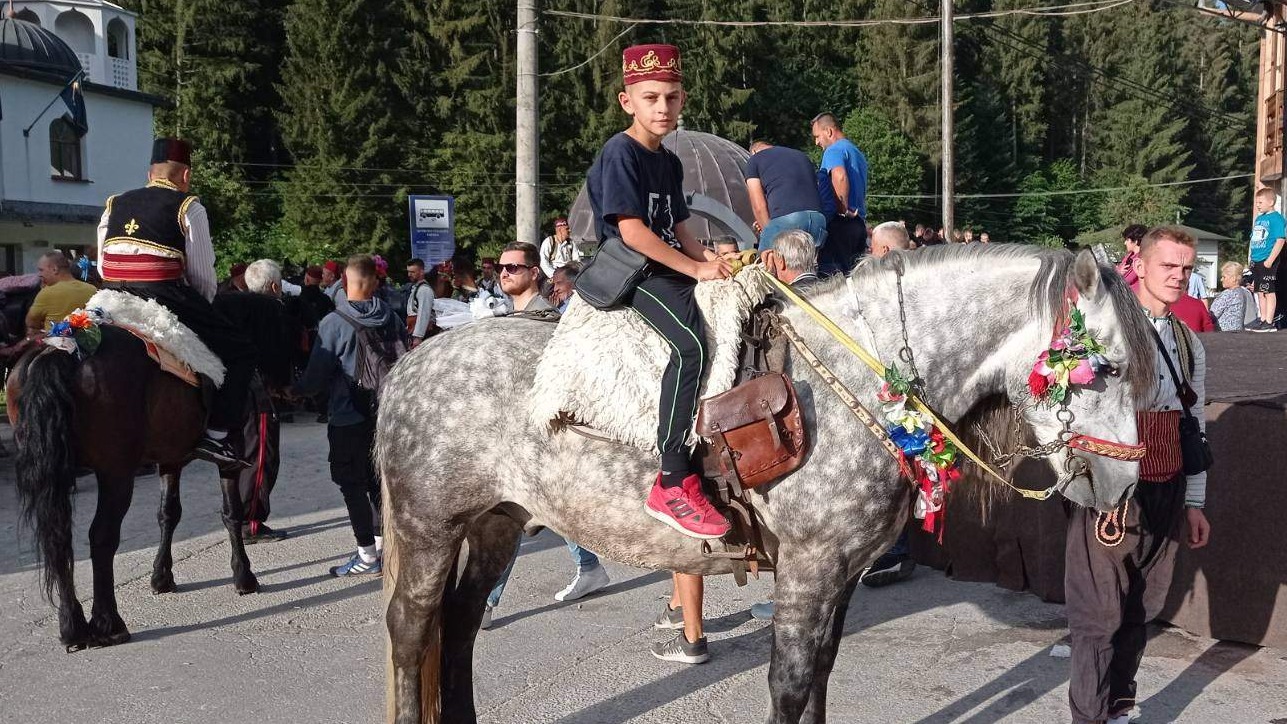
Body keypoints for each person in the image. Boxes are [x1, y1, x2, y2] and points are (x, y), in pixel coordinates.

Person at [586, 43, 732, 665]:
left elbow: (677, 224)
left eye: (672, 96)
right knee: (693, 342)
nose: (664, 106)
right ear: (627, 101)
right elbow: (635, 233)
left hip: (664, 262)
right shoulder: (620, 153)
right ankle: (671, 477)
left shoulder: (668, 161)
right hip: (630, 271)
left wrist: (714, 258)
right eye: (651, 97)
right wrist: (695, 272)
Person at [1065, 226, 1211, 724]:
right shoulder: (1106, 328)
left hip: (1167, 483)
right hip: (1113, 488)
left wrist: (1194, 502)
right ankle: (1089, 716)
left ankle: (1120, 707)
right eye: (1169, 266)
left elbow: (1196, 427)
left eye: (1187, 268)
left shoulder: (1191, 344)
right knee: (1098, 613)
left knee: (1142, 607)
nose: (1179, 276)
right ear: (1141, 266)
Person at [96, 137, 254, 466]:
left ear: (149, 172)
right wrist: (204, 307)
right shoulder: (188, 205)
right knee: (240, 350)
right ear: (185, 176)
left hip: (111, 293)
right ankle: (218, 435)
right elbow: (202, 275)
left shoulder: (114, 202)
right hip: (164, 294)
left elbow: (101, 262)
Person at [293, 255, 407, 576]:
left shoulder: (334, 322)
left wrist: (296, 390)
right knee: (378, 482)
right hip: (386, 413)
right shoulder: (392, 317)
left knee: (350, 483)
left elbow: (316, 374)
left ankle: (367, 557)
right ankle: (385, 549)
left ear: (345, 281)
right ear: (374, 281)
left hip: (348, 415)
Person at [214, 260, 293, 543]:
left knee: (240, 453)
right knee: (260, 456)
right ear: (275, 286)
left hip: (229, 388)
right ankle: (251, 521)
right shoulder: (271, 309)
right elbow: (277, 353)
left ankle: (237, 513)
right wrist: (285, 386)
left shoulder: (227, 303)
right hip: (256, 391)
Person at [810, 113, 869, 274]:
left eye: (817, 136)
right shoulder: (856, 153)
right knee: (854, 277)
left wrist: (842, 209)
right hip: (859, 224)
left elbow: (840, 176)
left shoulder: (833, 150)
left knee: (833, 281)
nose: (817, 142)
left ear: (829, 131)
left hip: (840, 224)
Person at [744, 140, 827, 252]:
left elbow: (758, 206)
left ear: (754, 151)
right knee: (808, 265)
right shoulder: (801, 155)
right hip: (818, 220)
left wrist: (767, 233)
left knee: (766, 260)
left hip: (789, 220)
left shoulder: (755, 160)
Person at [25, 251, 96, 336]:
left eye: (41, 270)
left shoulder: (47, 292)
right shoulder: (92, 290)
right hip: (86, 343)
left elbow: (31, 323)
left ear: (55, 269)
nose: (39, 275)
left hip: (54, 345)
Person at [1247, 187, 1285, 331]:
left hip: (1267, 260)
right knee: (1259, 291)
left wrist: (1270, 259)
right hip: (1256, 259)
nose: (1257, 205)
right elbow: (1253, 239)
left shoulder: (1276, 219)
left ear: (1271, 202)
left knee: (1269, 290)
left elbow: (1280, 240)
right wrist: (1251, 257)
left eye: (1260, 202)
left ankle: (1269, 321)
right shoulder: (1259, 219)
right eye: (1256, 202)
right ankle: (1262, 318)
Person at [498, 242, 554, 313]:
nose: (503, 274)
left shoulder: (546, 314)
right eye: (499, 268)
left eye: (512, 267)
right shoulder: (505, 312)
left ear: (533, 273)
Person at [1210, 262, 1256, 332]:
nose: (1221, 279)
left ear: (1233, 278)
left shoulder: (1227, 294)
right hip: (1239, 332)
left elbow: (1212, 316)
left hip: (1223, 335)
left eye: (1224, 277)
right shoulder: (1245, 292)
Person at [404, 258, 437, 347]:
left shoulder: (424, 290)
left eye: (412, 272)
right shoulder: (417, 288)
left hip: (424, 336)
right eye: (408, 272)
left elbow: (424, 314)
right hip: (415, 332)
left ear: (422, 272)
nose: (409, 274)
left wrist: (418, 337)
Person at [1116, 224, 1147, 291]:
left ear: (1135, 241)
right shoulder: (1129, 256)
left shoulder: (1141, 259)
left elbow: (1127, 280)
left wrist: (1118, 275)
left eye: (1127, 240)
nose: (1125, 243)